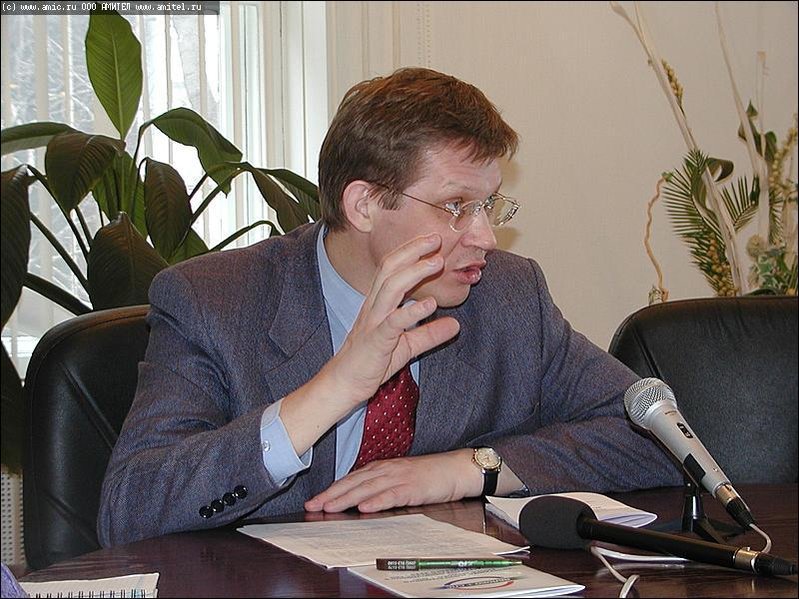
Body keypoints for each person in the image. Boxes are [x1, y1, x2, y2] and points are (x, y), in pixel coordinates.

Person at [97, 67, 681, 547]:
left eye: (489, 205)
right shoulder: (213, 301)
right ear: (364, 204)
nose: (484, 236)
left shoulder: (508, 295)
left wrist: (470, 468)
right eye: (456, 206)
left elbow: (660, 441)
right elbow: (129, 510)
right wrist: (331, 390)